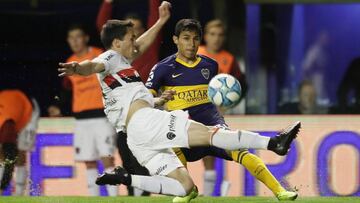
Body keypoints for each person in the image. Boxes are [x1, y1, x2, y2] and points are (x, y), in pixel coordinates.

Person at [58, 4, 301, 201]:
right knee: (210, 134)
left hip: (137, 138)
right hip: (146, 124)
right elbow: (93, 65)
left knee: (184, 187)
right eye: (131, 38)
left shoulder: (122, 66)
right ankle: (273, 143)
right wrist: (79, 68)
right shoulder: (110, 57)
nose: (136, 43)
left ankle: (126, 178)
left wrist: (161, 21)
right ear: (117, 43)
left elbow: (140, 47)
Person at [145, 19, 299, 202]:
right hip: (184, 130)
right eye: (186, 38)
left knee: (240, 152)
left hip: (212, 124)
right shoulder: (163, 68)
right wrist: (160, 99)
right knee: (168, 143)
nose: (191, 43)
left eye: (195, 38)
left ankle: (281, 192)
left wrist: (226, 99)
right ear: (175, 40)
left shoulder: (210, 65)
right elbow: (145, 101)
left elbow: (217, 91)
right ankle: (187, 191)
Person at [96, 0, 162, 196]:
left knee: (144, 155)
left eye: (137, 31)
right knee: (125, 151)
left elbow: (155, 20)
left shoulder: (147, 49)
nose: (134, 38)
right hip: (124, 112)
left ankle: (145, 191)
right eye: (129, 34)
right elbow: (104, 27)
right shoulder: (117, 57)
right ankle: (134, 191)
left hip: (147, 108)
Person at [50, 24, 118, 196]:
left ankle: (114, 198)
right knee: (88, 161)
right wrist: (57, 105)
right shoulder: (70, 61)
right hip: (81, 120)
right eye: (71, 38)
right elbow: (66, 90)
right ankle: (93, 198)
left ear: (86, 38)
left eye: (77, 36)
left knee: (107, 158)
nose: (74, 41)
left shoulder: (99, 55)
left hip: (102, 117)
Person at [191, 19, 248, 196]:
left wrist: (229, 104)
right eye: (212, 34)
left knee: (209, 155)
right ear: (205, 36)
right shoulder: (194, 53)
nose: (216, 39)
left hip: (211, 114)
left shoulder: (228, 59)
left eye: (220, 35)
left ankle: (206, 196)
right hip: (188, 111)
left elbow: (243, 86)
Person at [0, 89, 39, 195]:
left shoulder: (7, 126)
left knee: (20, 154)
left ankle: (19, 194)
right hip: (12, 110)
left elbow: (10, 160)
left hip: (28, 111)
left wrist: (2, 187)